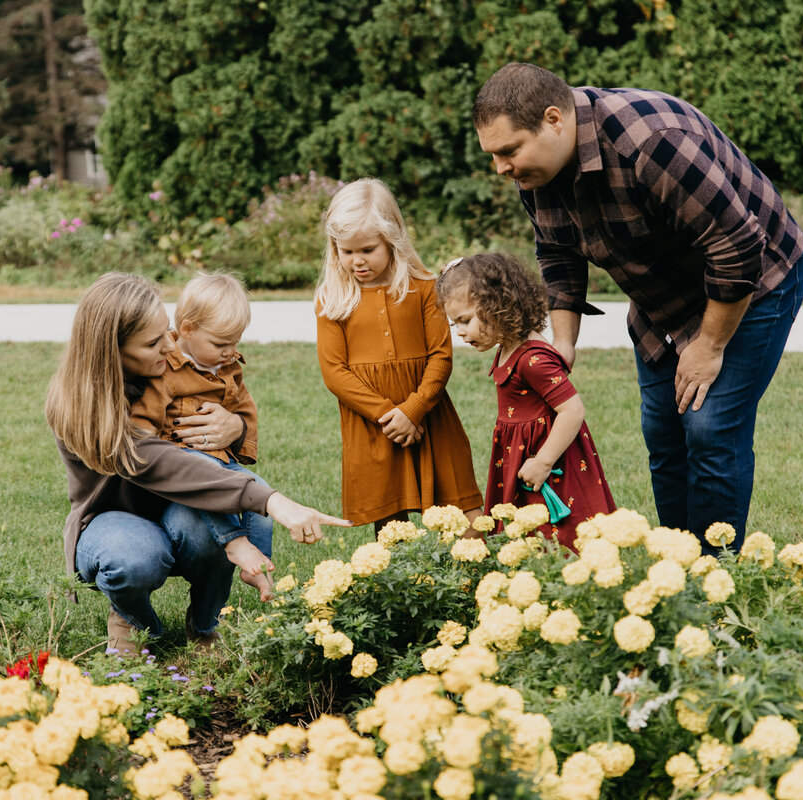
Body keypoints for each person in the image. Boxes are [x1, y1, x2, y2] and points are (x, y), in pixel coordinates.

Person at [472, 63, 803, 551]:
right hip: (663, 299)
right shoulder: (537, 173)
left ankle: (717, 578)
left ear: (553, 120)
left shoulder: (652, 142)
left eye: (508, 151)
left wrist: (710, 345)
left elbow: (737, 247)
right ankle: (677, 566)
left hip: (755, 280)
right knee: (664, 433)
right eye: (493, 155)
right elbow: (556, 250)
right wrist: (562, 342)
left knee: (709, 426)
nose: (500, 168)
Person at [45, 272, 348, 655]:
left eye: (168, 331)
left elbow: (231, 424)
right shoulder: (80, 405)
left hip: (178, 507)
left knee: (216, 525)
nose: (171, 345)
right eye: (154, 342)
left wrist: (235, 427)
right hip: (114, 518)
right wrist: (271, 500)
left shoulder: (173, 369)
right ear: (113, 350)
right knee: (133, 558)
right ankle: (137, 624)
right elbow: (160, 462)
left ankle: (205, 624)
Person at [314, 177, 483, 534]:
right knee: (392, 527)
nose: (357, 261)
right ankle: (403, 589)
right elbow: (334, 373)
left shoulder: (423, 286)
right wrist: (390, 416)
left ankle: (481, 575)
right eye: (347, 251)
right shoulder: (331, 299)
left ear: (392, 240)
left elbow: (441, 356)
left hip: (431, 417)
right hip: (375, 428)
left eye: (368, 250)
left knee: (465, 508)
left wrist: (414, 410)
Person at [436, 252, 615, 551]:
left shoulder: (532, 358)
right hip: (521, 454)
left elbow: (572, 410)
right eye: (456, 324)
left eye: (465, 320)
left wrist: (543, 461)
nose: (461, 332)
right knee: (528, 532)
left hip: (548, 461)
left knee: (557, 532)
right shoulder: (508, 347)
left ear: (497, 305)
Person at [128, 272, 274, 601]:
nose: (230, 351)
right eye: (221, 344)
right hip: (182, 469)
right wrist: (147, 439)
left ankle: (258, 565)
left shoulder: (228, 369)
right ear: (189, 329)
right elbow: (144, 425)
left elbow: (245, 413)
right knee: (206, 479)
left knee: (259, 492)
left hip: (221, 464)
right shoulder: (165, 369)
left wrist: (237, 428)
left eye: (236, 342)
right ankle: (236, 545)